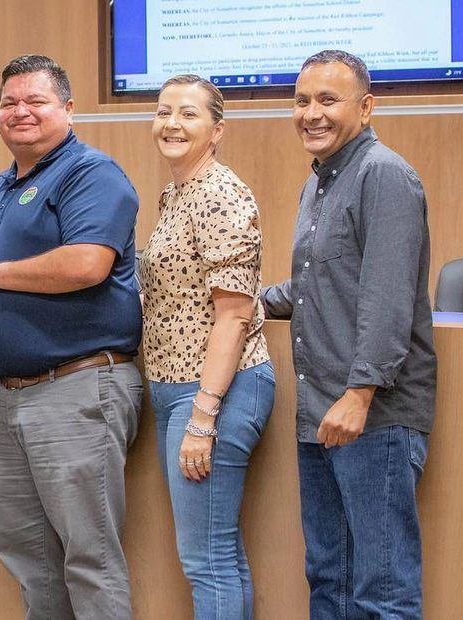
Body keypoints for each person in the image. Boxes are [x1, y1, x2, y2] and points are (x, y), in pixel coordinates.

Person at [0, 54, 144, 620]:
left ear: (69, 109)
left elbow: (86, 264)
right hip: (9, 398)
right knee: (27, 556)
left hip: (76, 388)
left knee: (90, 557)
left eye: (36, 101)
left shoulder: (91, 173)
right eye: (9, 102)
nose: (20, 112)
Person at [261, 50, 436, 619]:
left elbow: (387, 300)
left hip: (372, 417)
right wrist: (248, 303)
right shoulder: (319, 184)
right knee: (329, 579)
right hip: (320, 414)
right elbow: (316, 284)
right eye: (302, 100)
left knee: (382, 592)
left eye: (328, 100)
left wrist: (360, 395)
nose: (311, 113)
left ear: (366, 107)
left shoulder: (383, 174)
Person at [140, 74, 274, 619]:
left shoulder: (220, 194)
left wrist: (203, 416)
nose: (172, 123)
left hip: (217, 389)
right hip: (177, 387)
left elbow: (235, 313)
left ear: (217, 129)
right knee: (212, 554)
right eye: (164, 111)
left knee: (208, 559)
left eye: (189, 114)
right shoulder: (176, 191)